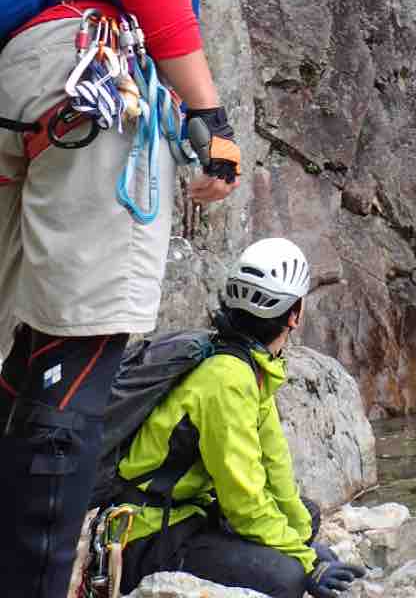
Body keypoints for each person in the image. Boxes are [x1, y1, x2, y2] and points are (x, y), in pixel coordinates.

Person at [0, 0, 241, 598]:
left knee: (21, 347)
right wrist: (207, 114)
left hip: (17, 71)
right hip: (85, 74)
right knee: (78, 347)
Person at [117, 237, 365, 598]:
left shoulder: (253, 365)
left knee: (305, 517)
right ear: (294, 315)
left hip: (190, 513)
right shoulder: (227, 380)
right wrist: (307, 562)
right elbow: (243, 499)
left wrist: (303, 541)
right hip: (150, 532)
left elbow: (274, 465)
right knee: (289, 579)